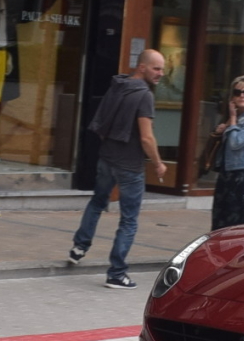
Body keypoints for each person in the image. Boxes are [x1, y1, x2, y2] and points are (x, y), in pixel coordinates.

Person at [66, 49, 170, 289]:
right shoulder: (144, 95)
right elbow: (146, 138)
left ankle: (79, 247)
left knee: (97, 202)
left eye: (162, 69)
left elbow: (100, 122)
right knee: (129, 221)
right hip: (130, 167)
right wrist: (158, 163)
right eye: (156, 68)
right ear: (142, 67)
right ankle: (117, 273)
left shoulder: (118, 85)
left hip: (106, 159)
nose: (161, 74)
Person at [210, 76, 244, 230]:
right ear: (232, 96)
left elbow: (235, 143)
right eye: (238, 92)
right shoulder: (235, 117)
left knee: (236, 223)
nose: (242, 96)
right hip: (227, 174)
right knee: (219, 220)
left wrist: (232, 119)